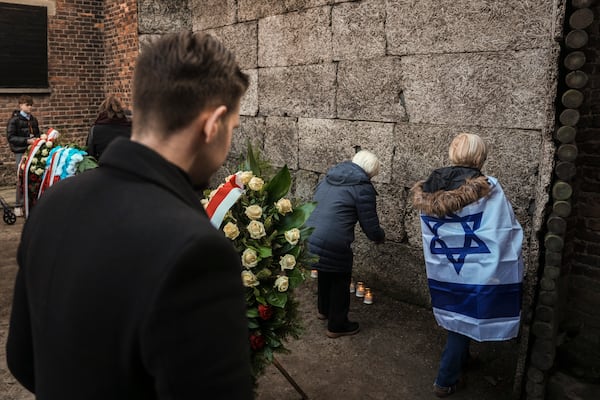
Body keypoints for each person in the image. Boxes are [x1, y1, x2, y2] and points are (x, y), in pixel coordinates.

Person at [6, 31, 252, 399]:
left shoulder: (55, 202)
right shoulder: (198, 252)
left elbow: (22, 359)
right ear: (212, 124)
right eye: (231, 128)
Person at [411, 133, 524, 398]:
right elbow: (503, 228)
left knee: (458, 313)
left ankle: (463, 359)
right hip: (477, 265)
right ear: (480, 156)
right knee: (467, 315)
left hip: (446, 267)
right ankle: (445, 379)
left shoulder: (430, 188)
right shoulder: (489, 187)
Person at [306, 150, 385, 339]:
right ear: (369, 173)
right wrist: (378, 237)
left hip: (309, 233)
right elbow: (370, 223)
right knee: (340, 277)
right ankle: (338, 324)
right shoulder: (362, 187)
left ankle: (324, 310)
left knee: (325, 270)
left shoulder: (329, 177)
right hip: (334, 240)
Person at [6, 95, 41, 217]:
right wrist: (27, 141)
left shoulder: (33, 119)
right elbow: (11, 138)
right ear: (21, 105)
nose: (30, 107)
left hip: (33, 152)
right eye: (27, 105)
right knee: (20, 178)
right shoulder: (14, 120)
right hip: (21, 152)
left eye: (31, 105)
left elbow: (37, 133)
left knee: (33, 176)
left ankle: (31, 204)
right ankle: (18, 205)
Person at [86, 95, 132, 160]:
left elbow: (89, 156)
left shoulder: (95, 130)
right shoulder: (130, 128)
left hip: (104, 167)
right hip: (128, 167)